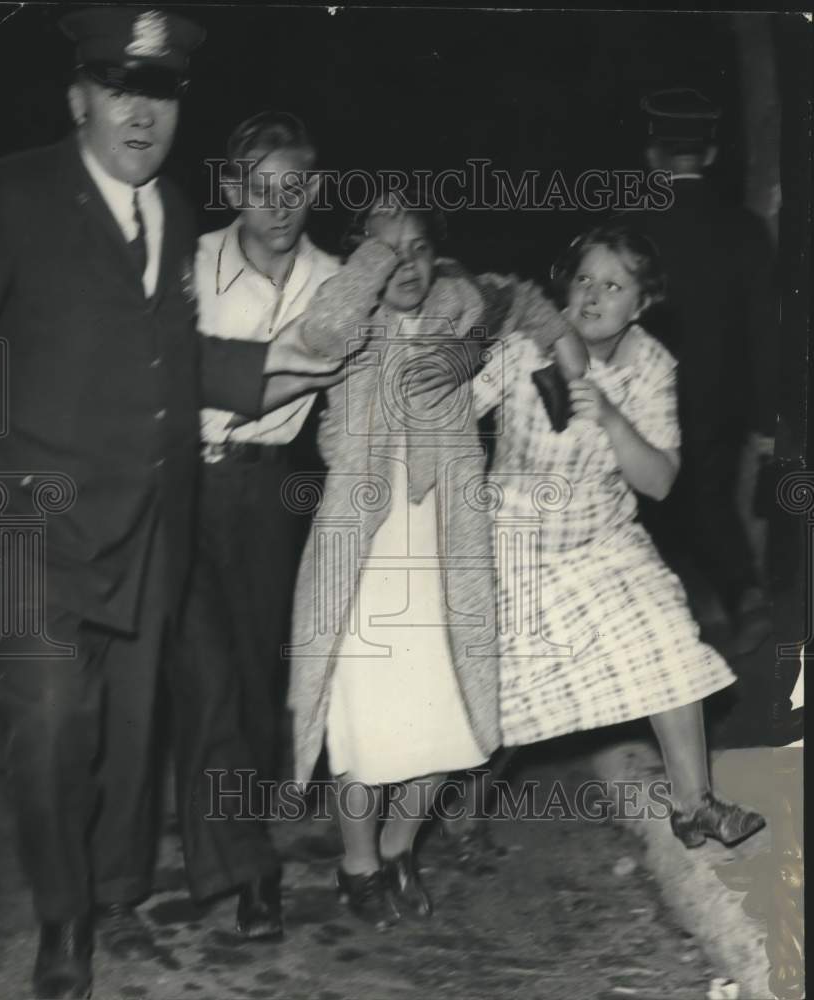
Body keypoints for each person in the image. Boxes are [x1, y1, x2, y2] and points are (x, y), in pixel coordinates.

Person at [0, 9, 291, 998]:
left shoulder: (170, 207)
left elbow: (167, 356)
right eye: (119, 87)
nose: (142, 112)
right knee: (50, 729)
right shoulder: (2, 196)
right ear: (79, 95)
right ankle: (61, 923)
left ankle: (112, 893)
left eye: (162, 93)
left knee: (127, 739)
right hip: (27, 528)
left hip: (148, 528)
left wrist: (286, 368)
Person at [280, 194, 585, 927]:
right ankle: (357, 867)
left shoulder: (456, 300)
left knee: (453, 721)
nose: (405, 264)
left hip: (445, 547)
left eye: (417, 247)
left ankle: (396, 845)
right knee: (359, 724)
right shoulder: (350, 314)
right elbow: (318, 333)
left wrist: (563, 348)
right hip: (360, 555)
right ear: (360, 257)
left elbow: (521, 297)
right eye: (386, 250)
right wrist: (374, 261)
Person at [473, 220, 766, 850]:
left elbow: (659, 480)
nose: (593, 296)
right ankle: (460, 805)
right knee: (509, 692)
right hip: (515, 538)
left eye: (614, 285)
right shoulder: (525, 346)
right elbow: (452, 409)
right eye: (584, 279)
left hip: (603, 538)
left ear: (643, 303)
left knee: (666, 637)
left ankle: (694, 807)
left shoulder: (652, 366)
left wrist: (607, 414)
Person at [173, 111, 340, 941]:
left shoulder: (335, 279)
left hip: (267, 493)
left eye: (296, 185)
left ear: (312, 187)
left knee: (245, 674)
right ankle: (247, 870)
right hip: (176, 485)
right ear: (235, 190)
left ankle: (231, 838)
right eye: (261, 187)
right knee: (203, 678)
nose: (279, 203)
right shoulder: (188, 262)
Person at [634, 87, 779, 656]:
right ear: (711, 155)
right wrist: (767, 416)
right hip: (721, 395)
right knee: (713, 500)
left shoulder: (632, 226)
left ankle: (670, 627)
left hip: (645, 393)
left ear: (652, 156)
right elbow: (765, 327)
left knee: (653, 510)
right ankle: (743, 597)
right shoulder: (743, 228)